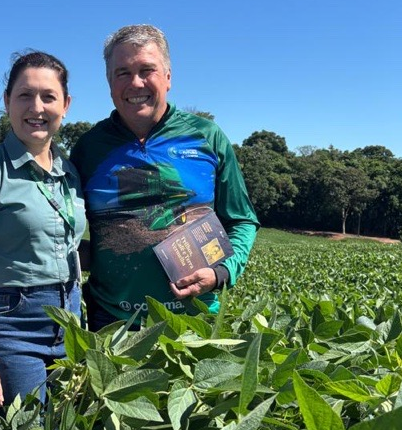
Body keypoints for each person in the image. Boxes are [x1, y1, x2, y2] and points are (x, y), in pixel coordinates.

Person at [70, 25, 260, 331]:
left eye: (147, 70)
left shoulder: (206, 137)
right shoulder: (88, 148)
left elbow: (241, 220)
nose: (135, 83)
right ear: (109, 82)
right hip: (112, 322)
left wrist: (222, 272)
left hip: (196, 319)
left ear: (168, 77)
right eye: (122, 73)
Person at [0, 51, 86, 405]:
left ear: (65, 104)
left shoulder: (69, 173)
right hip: (11, 327)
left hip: (70, 324)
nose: (36, 107)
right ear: (7, 101)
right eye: (24, 95)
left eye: (48, 96)